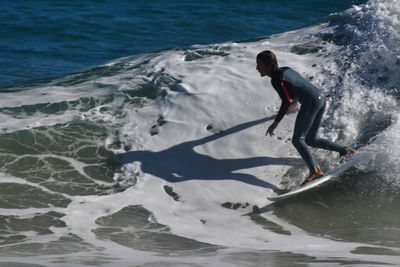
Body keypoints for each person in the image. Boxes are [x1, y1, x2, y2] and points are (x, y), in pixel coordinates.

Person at [256, 50, 355, 185]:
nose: (257, 68)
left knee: (297, 140)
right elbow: (296, 86)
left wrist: (275, 123)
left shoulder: (276, 79)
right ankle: (344, 150)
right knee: (311, 139)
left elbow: (286, 101)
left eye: (260, 65)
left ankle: (315, 171)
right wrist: (295, 101)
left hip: (311, 102)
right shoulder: (285, 70)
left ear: (269, 65)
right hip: (320, 98)